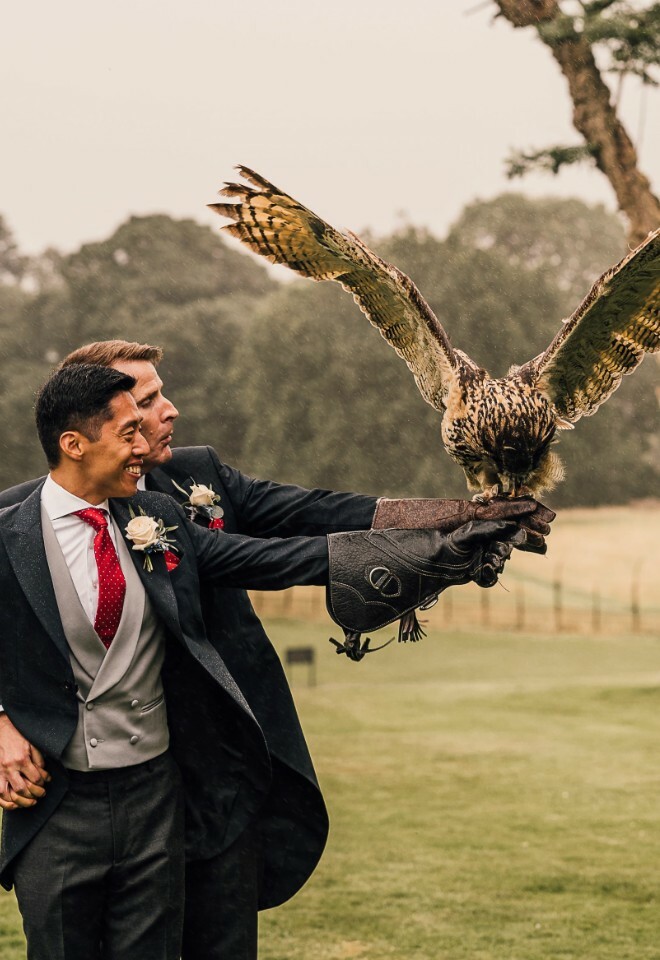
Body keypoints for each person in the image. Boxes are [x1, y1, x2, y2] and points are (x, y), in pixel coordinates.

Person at [0, 343, 554, 959]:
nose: (163, 416)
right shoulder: (16, 524)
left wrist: (451, 530)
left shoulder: (176, 501)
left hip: (206, 773)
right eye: (139, 411)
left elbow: (300, 533)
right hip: (67, 793)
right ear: (76, 437)